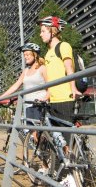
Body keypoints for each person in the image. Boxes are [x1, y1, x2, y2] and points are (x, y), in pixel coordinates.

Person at [37, 16, 82, 150]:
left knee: (67, 140)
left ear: (52, 31)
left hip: (65, 98)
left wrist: (73, 88)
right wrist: (47, 95)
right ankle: (66, 166)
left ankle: (74, 168)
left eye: (43, 31)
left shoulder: (63, 46)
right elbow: (51, 79)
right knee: (58, 139)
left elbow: (69, 69)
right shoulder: (48, 53)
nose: (40, 34)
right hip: (54, 100)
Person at [0, 42, 48, 124]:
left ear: (35, 55)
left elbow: (50, 85)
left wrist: (46, 98)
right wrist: (1, 97)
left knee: (36, 133)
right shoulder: (26, 71)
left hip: (39, 105)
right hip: (28, 105)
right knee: (31, 133)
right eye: (24, 55)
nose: (25, 57)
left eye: (27, 55)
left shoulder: (42, 68)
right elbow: (16, 86)